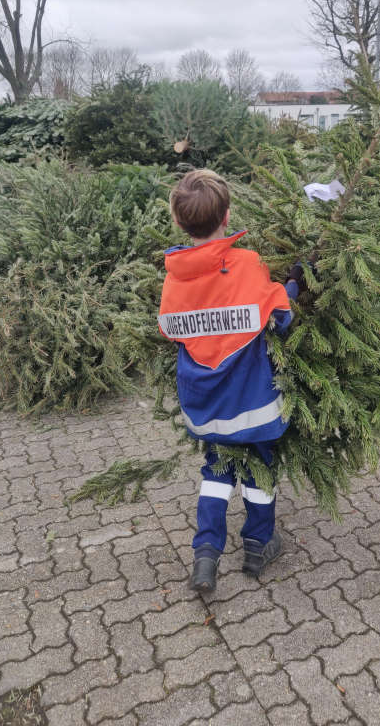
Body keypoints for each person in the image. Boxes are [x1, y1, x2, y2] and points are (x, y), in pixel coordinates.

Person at [158, 168, 303, 592]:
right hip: (255, 403)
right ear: (226, 217)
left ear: (179, 221)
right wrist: (293, 282)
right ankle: (258, 546)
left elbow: (171, 330)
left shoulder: (174, 277)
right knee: (260, 469)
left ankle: (206, 555)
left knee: (216, 470)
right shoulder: (247, 263)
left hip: (208, 407)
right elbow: (281, 319)